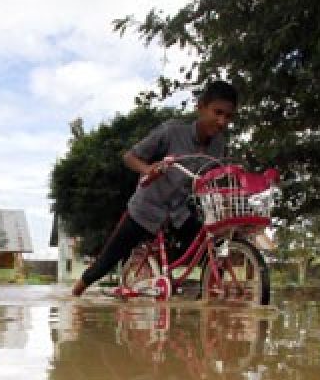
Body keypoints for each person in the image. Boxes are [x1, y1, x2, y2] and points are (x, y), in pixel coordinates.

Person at [71, 80, 239, 296]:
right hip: (147, 208)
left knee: (211, 252)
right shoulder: (170, 132)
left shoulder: (218, 145)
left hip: (178, 212)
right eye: (217, 112)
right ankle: (75, 294)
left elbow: (211, 177)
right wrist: (148, 168)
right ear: (200, 107)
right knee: (106, 261)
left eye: (228, 116)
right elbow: (130, 157)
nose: (222, 121)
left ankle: (211, 297)